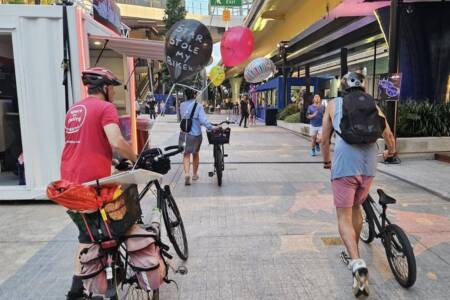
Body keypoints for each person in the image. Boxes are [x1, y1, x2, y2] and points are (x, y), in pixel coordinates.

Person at [60, 67, 137, 300]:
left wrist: (110, 160)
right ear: (104, 87)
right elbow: (116, 140)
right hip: (90, 186)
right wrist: (135, 157)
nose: (113, 92)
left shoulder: (75, 108)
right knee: (114, 228)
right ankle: (109, 288)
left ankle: (75, 291)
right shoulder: (105, 108)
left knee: (87, 235)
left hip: (67, 183)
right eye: (112, 86)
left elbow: (83, 144)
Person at [321, 72, 396, 297]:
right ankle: (355, 249)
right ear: (363, 88)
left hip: (345, 164)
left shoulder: (334, 104)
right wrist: (391, 151)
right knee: (356, 207)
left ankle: (357, 263)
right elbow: (389, 135)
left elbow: (324, 139)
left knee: (343, 217)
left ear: (343, 88)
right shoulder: (373, 104)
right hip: (369, 165)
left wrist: (326, 161)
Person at [178, 89, 214, 186]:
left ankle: (186, 174)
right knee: (195, 154)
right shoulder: (198, 106)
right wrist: (212, 127)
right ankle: (194, 175)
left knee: (186, 154)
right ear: (194, 95)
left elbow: (182, 118)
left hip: (184, 133)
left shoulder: (182, 105)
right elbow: (203, 121)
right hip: (195, 134)